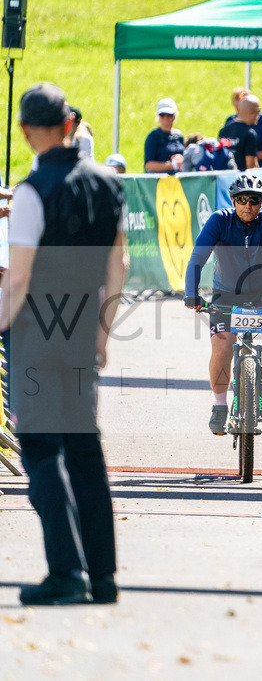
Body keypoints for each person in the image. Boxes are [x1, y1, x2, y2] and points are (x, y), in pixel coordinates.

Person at [0, 82, 128, 605]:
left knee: (41, 450)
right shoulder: (108, 185)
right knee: (83, 449)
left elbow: (19, 279)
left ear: (27, 131)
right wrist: (102, 333)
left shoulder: (31, 191)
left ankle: (65, 572)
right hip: (80, 328)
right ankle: (102, 576)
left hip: (34, 329)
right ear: (71, 125)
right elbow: (118, 266)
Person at [183, 174, 262, 436]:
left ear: (261, 203)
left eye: (254, 200)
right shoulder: (220, 220)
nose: (248, 205)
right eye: (242, 199)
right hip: (226, 293)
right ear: (233, 200)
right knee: (221, 341)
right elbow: (198, 256)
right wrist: (191, 293)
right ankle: (219, 406)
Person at [224, 87, 262, 168]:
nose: (238, 101)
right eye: (235, 98)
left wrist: (251, 153)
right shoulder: (229, 123)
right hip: (237, 173)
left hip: (261, 166)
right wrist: (247, 153)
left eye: (242, 98)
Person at [143, 98, 185, 173]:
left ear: (174, 116)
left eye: (169, 115)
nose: (165, 118)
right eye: (162, 115)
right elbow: (148, 165)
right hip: (161, 182)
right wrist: (171, 165)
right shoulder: (153, 136)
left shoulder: (179, 136)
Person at [218, 95, 260, 171]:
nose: (259, 115)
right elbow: (251, 167)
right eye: (258, 111)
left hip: (224, 178)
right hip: (241, 179)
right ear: (252, 112)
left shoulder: (224, 130)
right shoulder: (249, 134)